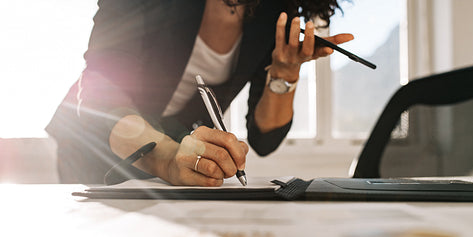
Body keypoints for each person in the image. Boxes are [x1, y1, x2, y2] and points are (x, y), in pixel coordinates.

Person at [46, 0, 353, 185]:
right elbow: (102, 90)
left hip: (174, 155)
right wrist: (165, 157)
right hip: (94, 142)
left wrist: (284, 74)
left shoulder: (270, 13)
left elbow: (265, 138)